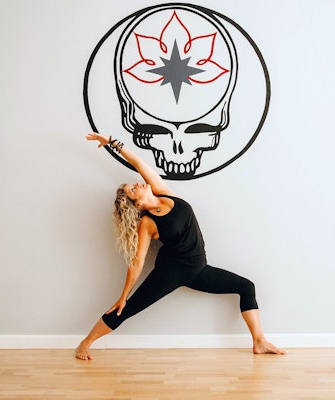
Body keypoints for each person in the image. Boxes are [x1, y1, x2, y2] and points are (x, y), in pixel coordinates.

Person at [76, 132, 287, 360]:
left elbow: (138, 163)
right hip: (170, 272)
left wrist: (112, 142)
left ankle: (259, 342)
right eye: (133, 190)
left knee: (247, 287)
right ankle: (84, 344)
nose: (137, 183)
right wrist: (123, 295)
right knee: (126, 308)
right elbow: (137, 262)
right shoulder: (148, 223)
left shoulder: (165, 194)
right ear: (137, 204)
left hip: (199, 270)